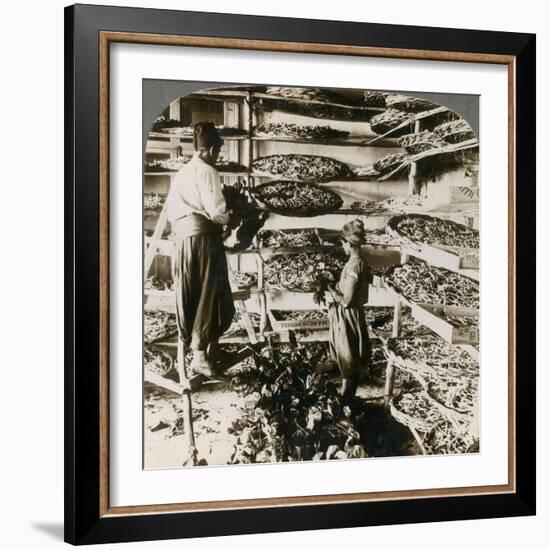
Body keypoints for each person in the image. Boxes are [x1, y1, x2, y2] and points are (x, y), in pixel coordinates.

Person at [166, 121, 236, 377]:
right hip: (203, 240)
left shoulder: (182, 173)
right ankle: (199, 355)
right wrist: (230, 216)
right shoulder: (207, 171)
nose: (217, 158)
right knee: (211, 293)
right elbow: (216, 211)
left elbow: (174, 212)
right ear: (208, 150)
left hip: (183, 241)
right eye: (217, 152)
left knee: (192, 293)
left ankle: (206, 350)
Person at [326, 219, 372, 400]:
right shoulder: (361, 261)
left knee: (348, 358)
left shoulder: (353, 265)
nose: (343, 247)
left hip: (347, 316)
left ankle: (347, 401)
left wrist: (329, 288)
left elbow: (346, 300)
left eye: (343, 244)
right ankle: (347, 399)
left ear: (348, 243)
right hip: (354, 314)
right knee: (350, 358)